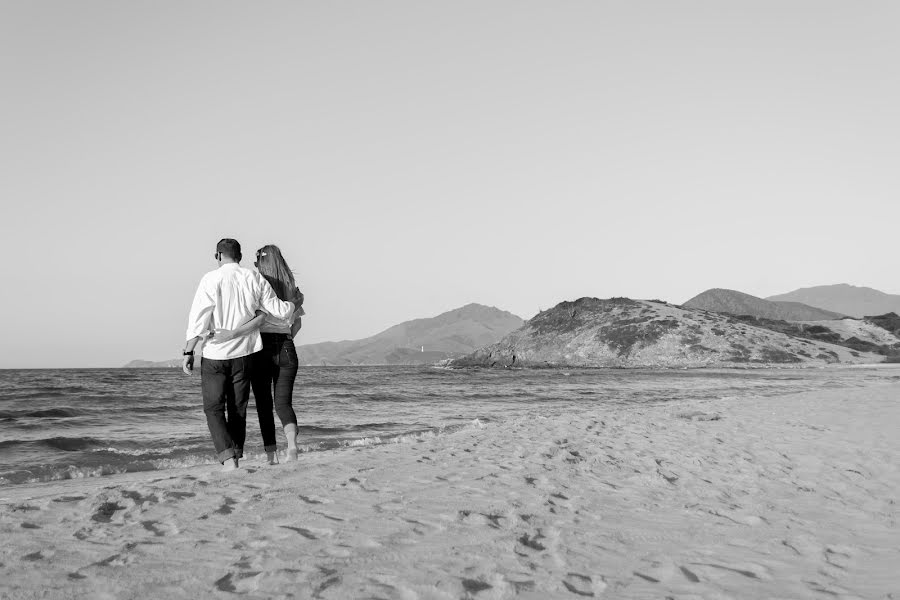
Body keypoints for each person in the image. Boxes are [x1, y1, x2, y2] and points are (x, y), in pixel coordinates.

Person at [182, 238, 301, 472]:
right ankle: (236, 455)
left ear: (218, 256)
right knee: (238, 407)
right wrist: (295, 303)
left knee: (214, 408)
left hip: (216, 353)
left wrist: (189, 350)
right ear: (240, 256)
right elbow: (278, 310)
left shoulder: (210, 279)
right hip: (246, 354)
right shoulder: (253, 277)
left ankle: (229, 459)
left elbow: (198, 318)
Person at [216, 244, 304, 464]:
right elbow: (297, 324)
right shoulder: (292, 288)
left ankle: (271, 456)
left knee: (264, 404)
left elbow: (253, 316)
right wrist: (287, 334)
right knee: (284, 403)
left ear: (261, 264)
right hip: (286, 346)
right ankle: (292, 447)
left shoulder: (257, 284)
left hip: (260, 348)